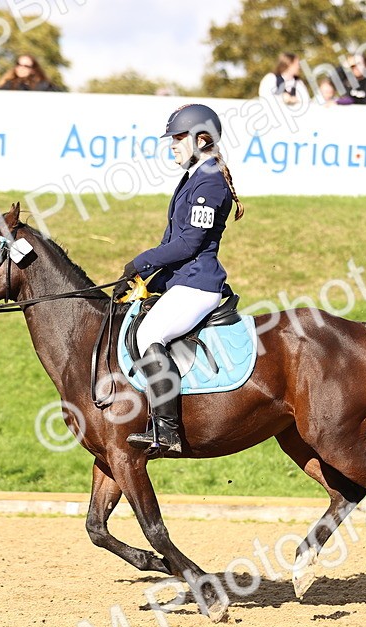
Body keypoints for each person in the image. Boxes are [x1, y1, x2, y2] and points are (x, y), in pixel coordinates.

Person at [113, 104, 244, 456]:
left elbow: (190, 243)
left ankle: (167, 431)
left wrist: (141, 262)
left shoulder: (210, 181)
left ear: (202, 139)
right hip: (182, 280)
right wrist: (144, 278)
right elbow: (173, 244)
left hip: (199, 284)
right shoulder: (193, 177)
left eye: (178, 137)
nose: (171, 144)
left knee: (149, 334)